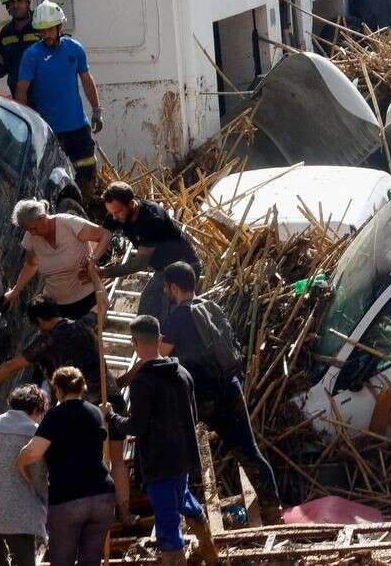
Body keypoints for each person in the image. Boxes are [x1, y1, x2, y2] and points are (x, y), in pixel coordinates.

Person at [0, 295, 132, 524]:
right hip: (112, 398)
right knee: (117, 461)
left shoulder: (47, 341)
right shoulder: (84, 324)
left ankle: (89, 517)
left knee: (86, 461)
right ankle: (126, 515)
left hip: (82, 407)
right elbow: (103, 303)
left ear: (39, 320)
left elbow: (11, 366)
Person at [158, 262, 283, 525]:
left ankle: (186, 517)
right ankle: (274, 512)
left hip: (203, 399)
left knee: (181, 455)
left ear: (173, 287)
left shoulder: (177, 317)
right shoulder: (210, 307)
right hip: (230, 387)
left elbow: (160, 355)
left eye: (166, 288)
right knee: (250, 452)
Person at [102, 316, 218, 566]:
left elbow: (135, 427)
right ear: (160, 339)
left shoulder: (143, 382)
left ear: (134, 342)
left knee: (167, 527)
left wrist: (111, 417)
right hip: (183, 457)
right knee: (184, 500)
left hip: (160, 464)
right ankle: (211, 555)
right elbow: (193, 415)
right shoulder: (182, 373)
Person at [17, 367, 115, 566]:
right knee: (91, 560)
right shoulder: (95, 412)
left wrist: (20, 461)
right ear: (81, 387)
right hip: (102, 496)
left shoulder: (55, 416)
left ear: (58, 390)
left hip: (68, 500)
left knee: (62, 560)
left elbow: (33, 453)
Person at [16, 0, 104, 196]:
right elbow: (22, 89)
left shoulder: (75, 49)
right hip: (50, 132)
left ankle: (85, 208)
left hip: (78, 128)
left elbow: (87, 81)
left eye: (50, 29)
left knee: (88, 173)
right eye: (42, 31)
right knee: (54, 181)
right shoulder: (31, 56)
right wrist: (24, 122)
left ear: (59, 27)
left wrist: (97, 110)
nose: (46, 34)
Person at [98, 182, 202, 322]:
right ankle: (141, 341)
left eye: (117, 212)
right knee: (147, 308)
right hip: (164, 269)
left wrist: (104, 272)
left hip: (184, 267)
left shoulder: (152, 219)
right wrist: (92, 258)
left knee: (168, 316)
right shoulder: (116, 213)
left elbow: (140, 264)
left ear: (131, 204)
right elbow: (103, 235)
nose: (114, 217)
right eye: (111, 213)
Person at [0, 384, 49, 566]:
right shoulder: (34, 432)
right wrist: (44, 503)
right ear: (37, 409)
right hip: (20, 514)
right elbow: (39, 477)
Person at [2, 198, 111, 320]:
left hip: (88, 298)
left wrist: (92, 260)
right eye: (28, 230)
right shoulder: (31, 238)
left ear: (43, 217)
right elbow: (31, 264)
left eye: (34, 228)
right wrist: (16, 290)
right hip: (57, 305)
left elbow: (104, 235)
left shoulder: (69, 224)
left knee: (87, 335)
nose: (32, 233)